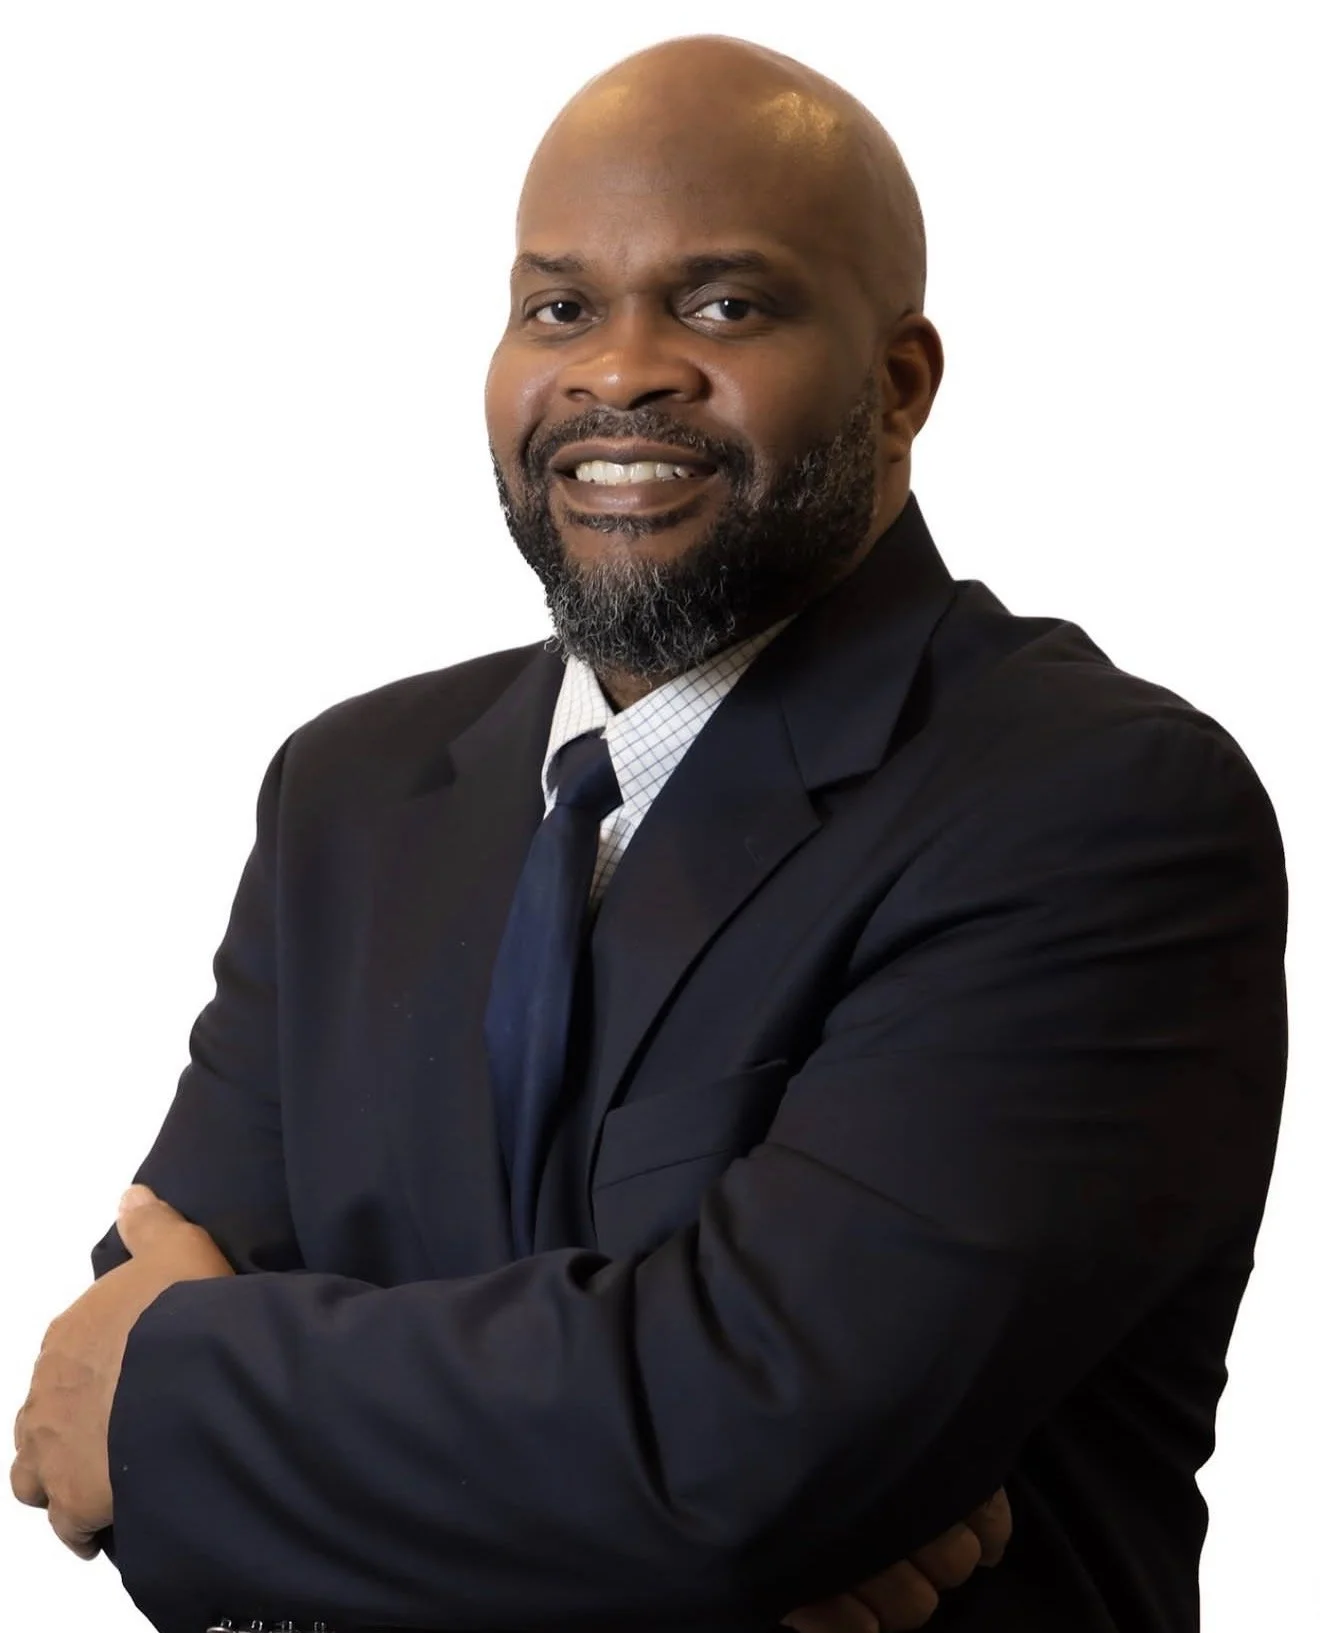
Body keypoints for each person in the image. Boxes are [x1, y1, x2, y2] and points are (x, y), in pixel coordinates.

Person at [10, 32, 1287, 1633]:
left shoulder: (1094, 809)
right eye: (560, 306)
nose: (618, 370)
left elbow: (747, 1447)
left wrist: (247, 1427)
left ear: (900, 385)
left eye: (722, 305)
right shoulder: (348, 792)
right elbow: (96, 1421)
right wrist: (662, 1533)